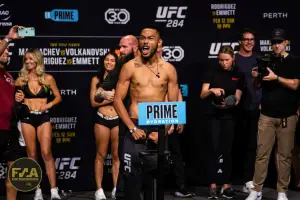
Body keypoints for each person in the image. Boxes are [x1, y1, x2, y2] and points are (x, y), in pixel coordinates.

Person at [113, 27, 179, 200]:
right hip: (134, 125)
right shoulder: (129, 67)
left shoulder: (169, 69)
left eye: (150, 38)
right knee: (131, 179)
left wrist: (163, 131)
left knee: (155, 182)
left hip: (158, 127)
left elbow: (173, 104)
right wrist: (132, 128)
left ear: (158, 43)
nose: (145, 41)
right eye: (142, 38)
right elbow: (117, 100)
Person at [246, 29, 300, 200]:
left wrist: (276, 78)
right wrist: (256, 75)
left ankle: (282, 191)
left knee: (284, 156)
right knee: (262, 154)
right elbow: (256, 86)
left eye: (280, 42)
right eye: (274, 42)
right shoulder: (266, 60)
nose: (276, 45)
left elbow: (295, 85)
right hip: (267, 116)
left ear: (286, 43)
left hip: (287, 116)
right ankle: (256, 190)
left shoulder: (294, 61)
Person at [15, 48, 62, 200]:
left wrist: (48, 105)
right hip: (27, 118)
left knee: (46, 152)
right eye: (26, 59)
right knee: (32, 155)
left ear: (38, 60)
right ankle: (38, 190)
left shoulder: (47, 78)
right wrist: (19, 99)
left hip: (43, 118)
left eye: (31, 59)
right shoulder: (20, 80)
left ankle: (54, 190)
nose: (28, 62)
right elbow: (16, 102)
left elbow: (58, 97)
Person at [200, 46, 245, 199]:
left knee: (227, 150)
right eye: (221, 60)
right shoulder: (212, 71)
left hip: (229, 116)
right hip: (212, 115)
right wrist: (212, 90)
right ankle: (212, 186)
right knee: (212, 149)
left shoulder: (239, 74)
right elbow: (202, 94)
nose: (224, 63)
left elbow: (238, 97)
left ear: (233, 58)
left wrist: (230, 103)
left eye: (226, 60)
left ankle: (226, 185)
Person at [158, 41, 195, 197]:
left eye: (160, 50)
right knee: (154, 155)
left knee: (176, 153)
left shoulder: (169, 69)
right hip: (152, 118)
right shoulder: (141, 70)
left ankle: (181, 186)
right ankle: (152, 187)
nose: (158, 53)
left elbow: (177, 94)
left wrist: (178, 119)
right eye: (156, 50)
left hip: (169, 115)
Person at [90, 51, 120, 199]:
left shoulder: (121, 79)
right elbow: (94, 102)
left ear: (117, 63)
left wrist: (107, 96)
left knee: (116, 155)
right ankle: (99, 190)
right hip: (102, 118)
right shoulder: (96, 79)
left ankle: (116, 188)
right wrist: (109, 98)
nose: (109, 62)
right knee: (100, 155)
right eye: (107, 60)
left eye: (112, 60)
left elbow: (121, 100)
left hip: (117, 119)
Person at [234, 28, 261, 193]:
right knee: (235, 144)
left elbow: (266, 83)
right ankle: (228, 181)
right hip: (235, 109)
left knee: (252, 146)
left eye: (252, 39)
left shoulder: (259, 59)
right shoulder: (234, 59)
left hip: (254, 108)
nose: (249, 42)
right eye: (246, 39)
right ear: (240, 41)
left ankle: (248, 180)